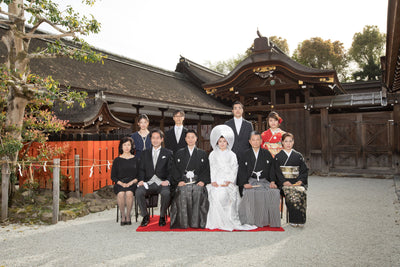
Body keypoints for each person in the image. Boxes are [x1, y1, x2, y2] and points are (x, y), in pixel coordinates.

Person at [206, 125, 257, 231]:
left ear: (228, 142)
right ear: (217, 142)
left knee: (225, 194)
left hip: (228, 181)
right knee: (215, 194)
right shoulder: (212, 154)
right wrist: (213, 181)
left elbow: (235, 168)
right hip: (216, 180)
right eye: (220, 141)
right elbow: (211, 168)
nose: (222, 143)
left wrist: (229, 181)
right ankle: (216, 221)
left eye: (224, 141)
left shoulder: (232, 154)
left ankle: (228, 220)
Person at [238, 131, 281, 228]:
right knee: (249, 192)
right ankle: (250, 219)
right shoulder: (245, 154)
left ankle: (268, 220)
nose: (255, 142)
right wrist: (244, 183)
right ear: (249, 141)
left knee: (274, 192)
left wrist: (273, 181)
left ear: (261, 141)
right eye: (253, 140)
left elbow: (272, 169)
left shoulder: (266, 153)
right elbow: (241, 170)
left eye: (258, 140)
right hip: (250, 180)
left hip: (264, 181)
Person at [170, 130, 210, 229]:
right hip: (183, 181)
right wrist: (179, 181)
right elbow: (174, 169)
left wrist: (202, 181)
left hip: (197, 182)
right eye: (188, 137)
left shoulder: (202, 153)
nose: (191, 139)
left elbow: (206, 169)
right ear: (185, 139)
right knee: (182, 191)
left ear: (196, 139)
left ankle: (196, 222)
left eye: (193, 137)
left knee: (198, 191)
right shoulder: (179, 153)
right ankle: (183, 222)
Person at [137, 129, 173, 227]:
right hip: (148, 182)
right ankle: (145, 216)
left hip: (162, 182)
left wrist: (168, 181)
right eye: (153, 138)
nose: (155, 140)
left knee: (166, 193)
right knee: (139, 192)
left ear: (162, 139)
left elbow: (171, 170)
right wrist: (141, 180)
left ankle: (162, 216)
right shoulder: (145, 153)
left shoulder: (168, 153)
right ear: (150, 139)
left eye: (158, 138)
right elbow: (141, 169)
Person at [274, 132, 308, 227]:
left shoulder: (298, 156)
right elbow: (277, 172)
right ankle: (293, 219)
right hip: (284, 182)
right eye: (286, 141)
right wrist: (284, 181)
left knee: (301, 191)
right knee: (291, 192)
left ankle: (301, 219)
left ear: (293, 142)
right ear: (282, 143)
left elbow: (304, 170)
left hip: (297, 181)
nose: (288, 143)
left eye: (290, 141)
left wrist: (300, 181)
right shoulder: (278, 157)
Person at [111, 136, 139, 226]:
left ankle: (128, 215)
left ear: (131, 147)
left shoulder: (136, 159)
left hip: (133, 182)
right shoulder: (117, 160)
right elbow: (113, 177)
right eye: (124, 145)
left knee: (129, 193)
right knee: (121, 194)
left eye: (128, 145)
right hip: (120, 182)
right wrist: (122, 183)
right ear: (121, 147)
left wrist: (131, 182)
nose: (127, 147)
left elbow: (139, 175)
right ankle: (123, 215)